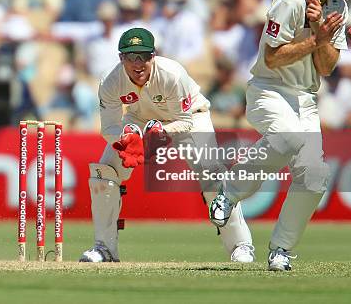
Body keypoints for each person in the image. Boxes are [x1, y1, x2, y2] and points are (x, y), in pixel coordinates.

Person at [208, 0, 351, 271]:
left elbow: (326, 66)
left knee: (316, 175)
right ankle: (229, 192)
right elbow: (273, 58)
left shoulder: (338, 5)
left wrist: (320, 29)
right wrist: (315, 38)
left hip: (306, 97)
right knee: (286, 138)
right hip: (269, 89)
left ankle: (281, 250)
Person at [79, 27, 254, 263]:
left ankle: (241, 245)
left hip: (189, 118)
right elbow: (108, 128)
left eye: (143, 56)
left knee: (212, 174)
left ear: (154, 55)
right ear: (121, 58)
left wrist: (159, 131)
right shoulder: (110, 81)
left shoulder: (172, 73)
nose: (137, 63)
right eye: (131, 57)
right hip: (140, 119)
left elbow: (184, 121)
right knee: (104, 174)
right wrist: (125, 139)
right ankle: (104, 248)